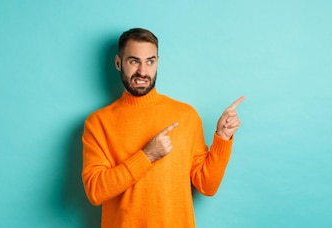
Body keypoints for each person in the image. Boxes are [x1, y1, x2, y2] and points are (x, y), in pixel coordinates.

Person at [82, 28, 244, 227]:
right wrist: (147, 156)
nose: (142, 71)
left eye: (150, 61)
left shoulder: (186, 115)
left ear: (157, 61)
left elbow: (207, 186)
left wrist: (223, 137)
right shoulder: (98, 122)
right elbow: (95, 191)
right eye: (134, 61)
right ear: (118, 63)